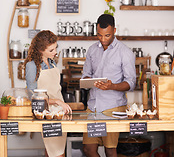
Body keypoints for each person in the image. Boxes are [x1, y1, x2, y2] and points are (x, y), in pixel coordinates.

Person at [81, 14, 136, 157]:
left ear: (114, 30)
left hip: (113, 108)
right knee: (88, 149)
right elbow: (86, 74)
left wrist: (112, 86)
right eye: (99, 35)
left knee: (110, 150)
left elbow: (131, 83)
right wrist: (89, 81)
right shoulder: (92, 50)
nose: (103, 39)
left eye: (107, 35)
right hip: (93, 108)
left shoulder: (125, 52)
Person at [24, 30, 72, 157]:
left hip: (60, 112)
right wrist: (56, 101)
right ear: (40, 50)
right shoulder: (32, 66)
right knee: (57, 153)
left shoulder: (52, 63)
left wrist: (61, 104)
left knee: (54, 151)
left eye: (55, 48)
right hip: (46, 112)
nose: (55, 52)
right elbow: (32, 97)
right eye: (51, 50)